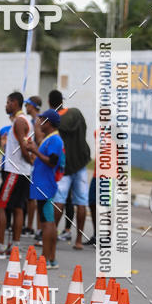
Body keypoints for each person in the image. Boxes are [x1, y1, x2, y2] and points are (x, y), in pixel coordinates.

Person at [50, 90, 91, 250]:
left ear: (50, 102)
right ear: (62, 101)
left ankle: (51, 236)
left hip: (64, 168)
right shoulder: (77, 114)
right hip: (80, 165)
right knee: (81, 203)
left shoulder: (54, 121)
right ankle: (79, 240)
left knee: (59, 201)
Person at [25, 110, 65, 269]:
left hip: (46, 186)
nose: (38, 122)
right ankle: (51, 258)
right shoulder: (49, 138)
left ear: (48, 123)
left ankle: (46, 258)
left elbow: (52, 162)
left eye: (41, 119)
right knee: (47, 221)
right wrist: (33, 151)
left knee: (48, 222)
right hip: (42, 184)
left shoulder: (55, 140)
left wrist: (35, 150)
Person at [0, 92, 33, 257]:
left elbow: (24, 148)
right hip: (22, 171)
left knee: (0, 206)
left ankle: (0, 245)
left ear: (15, 103)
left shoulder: (19, 121)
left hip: (15, 171)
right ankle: (15, 246)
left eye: (8, 102)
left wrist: (30, 161)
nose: (6, 105)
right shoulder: (24, 120)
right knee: (18, 207)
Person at [23, 96, 43, 236]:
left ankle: (36, 227)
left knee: (35, 197)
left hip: (35, 161)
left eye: (27, 105)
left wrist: (34, 156)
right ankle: (30, 226)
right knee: (30, 197)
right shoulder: (30, 120)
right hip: (31, 160)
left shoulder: (39, 121)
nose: (26, 107)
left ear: (33, 106)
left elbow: (40, 141)